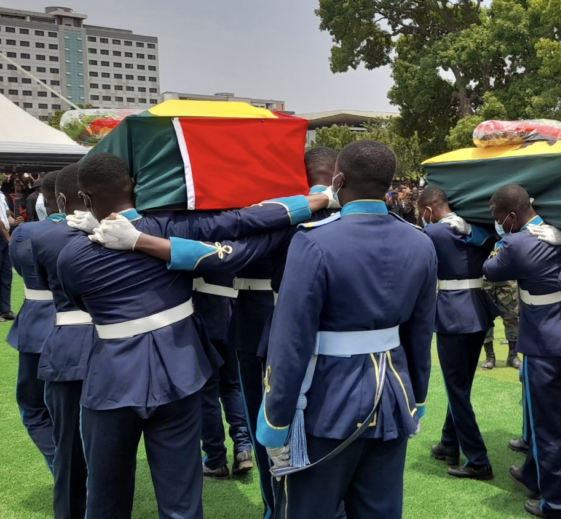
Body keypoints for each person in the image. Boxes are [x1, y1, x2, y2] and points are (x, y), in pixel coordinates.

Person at [58, 152, 330, 519]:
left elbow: (82, 302)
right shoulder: (172, 227)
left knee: (106, 498)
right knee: (181, 501)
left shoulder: (72, 255)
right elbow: (242, 220)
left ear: (84, 198)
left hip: (111, 381)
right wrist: (314, 202)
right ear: (135, 185)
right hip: (180, 373)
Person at [256, 141, 436, 519]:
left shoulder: (313, 240)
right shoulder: (420, 242)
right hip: (392, 396)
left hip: (326, 399)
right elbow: (420, 333)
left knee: (307, 510)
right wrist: (416, 399)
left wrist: (275, 419)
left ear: (338, 180)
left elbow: (291, 340)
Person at [230, 145, 339, 511]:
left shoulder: (276, 212)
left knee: (266, 421)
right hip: (342, 338)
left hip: (259, 322)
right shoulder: (354, 212)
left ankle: (274, 507)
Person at [483, 184, 561, 519]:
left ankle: (556, 502)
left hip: (545, 344)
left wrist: (499, 241)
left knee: (547, 426)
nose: (498, 222)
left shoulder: (515, 244)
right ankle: (534, 474)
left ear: (512, 217)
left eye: (498, 217)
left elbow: (490, 269)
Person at [418, 186, 496, 480]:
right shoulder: (477, 228)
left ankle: (478, 459)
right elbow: (494, 237)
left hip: (452, 313)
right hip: (477, 310)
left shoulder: (432, 232)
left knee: (456, 389)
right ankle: (449, 443)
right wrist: (472, 230)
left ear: (428, 210)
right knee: (461, 384)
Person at [33, 164, 92, 519]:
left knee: (67, 443)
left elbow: (43, 284)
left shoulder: (42, 237)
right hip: (122, 346)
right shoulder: (137, 232)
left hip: (68, 345)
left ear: (60, 199)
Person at [5, 170, 59, 471]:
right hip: (95, 328)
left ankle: (65, 473)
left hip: (39, 325)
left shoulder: (26, 234)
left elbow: (21, 270)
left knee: (34, 407)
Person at [193, 272, 252, 479]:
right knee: (233, 385)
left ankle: (215, 459)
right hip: (235, 309)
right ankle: (243, 448)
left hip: (204, 311)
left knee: (207, 391)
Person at [481, 281, 521, 370]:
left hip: (507, 279)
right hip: (485, 279)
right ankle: (489, 357)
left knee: (512, 318)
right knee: (486, 318)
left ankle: (513, 356)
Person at [0, 180, 16, 320]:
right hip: (3, 235)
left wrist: (14, 221)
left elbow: (7, 216)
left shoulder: (1, 195)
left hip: (4, 236)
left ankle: (5, 309)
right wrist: (8, 237)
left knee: (6, 274)